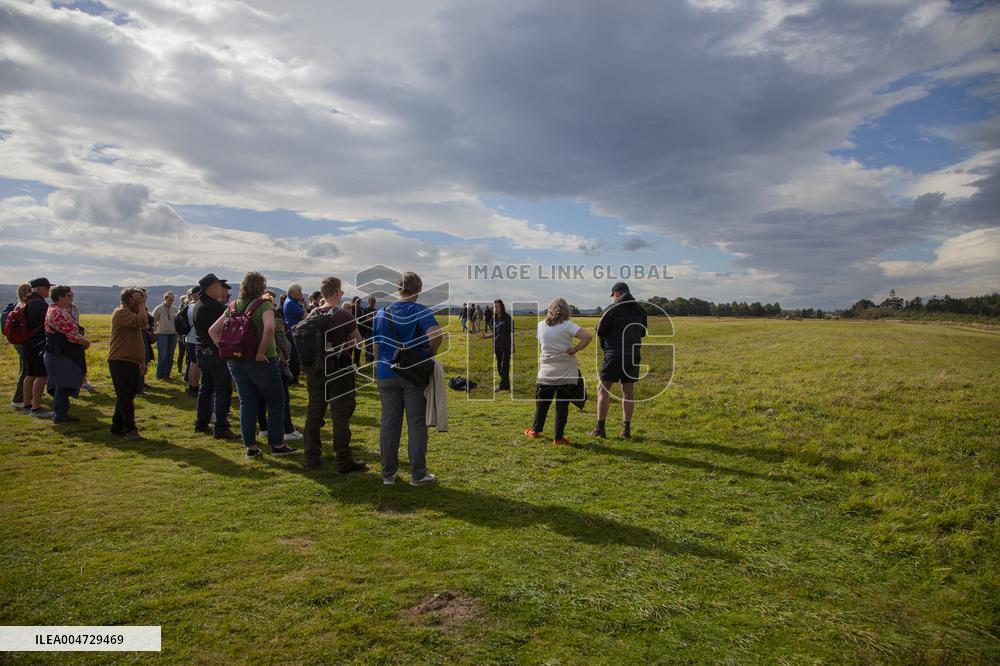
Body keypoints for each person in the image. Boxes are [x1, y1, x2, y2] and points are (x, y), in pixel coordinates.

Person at [209, 272, 298, 459]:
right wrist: (260, 352)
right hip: (262, 361)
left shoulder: (233, 306)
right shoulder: (264, 305)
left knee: (246, 403)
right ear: (262, 287)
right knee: (275, 402)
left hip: (236, 360)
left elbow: (213, 331)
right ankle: (277, 444)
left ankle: (250, 447)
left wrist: (225, 349)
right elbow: (269, 328)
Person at [372, 271, 443, 486]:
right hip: (412, 373)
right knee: (416, 423)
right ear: (418, 290)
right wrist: (428, 354)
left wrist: (378, 367)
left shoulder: (381, 313)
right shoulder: (419, 310)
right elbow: (436, 335)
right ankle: (418, 474)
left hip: (386, 371)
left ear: (398, 288)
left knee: (389, 423)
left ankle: (388, 473)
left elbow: (375, 345)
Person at [301, 276, 367, 472]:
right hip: (339, 369)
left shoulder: (312, 314)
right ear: (338, 293)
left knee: (314, 413)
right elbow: (358, 340)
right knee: (340, 415)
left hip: (315, 369)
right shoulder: (343, 315)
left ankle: (311, 457)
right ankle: (343, 459)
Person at [525, 297, 592, 445]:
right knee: (562, 406)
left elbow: (542, 342)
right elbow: (587, 337)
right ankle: (559, 438)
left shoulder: (541, 325)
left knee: (542, 403)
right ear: (566, 311)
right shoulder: (568, 325)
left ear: (550, 310)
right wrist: (575, 349)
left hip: (546, 371)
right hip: (567, 371)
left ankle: (535, 431)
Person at [591, 282, 647, 439]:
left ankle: (600, 429)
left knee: (602, 390)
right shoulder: (640, 310)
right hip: (633, 354)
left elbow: (599, 330)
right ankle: (625, 430)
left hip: (614, 355)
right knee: (628, 392)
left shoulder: (611, 308)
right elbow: (642, 332)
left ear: (616, 293)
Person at [193, 274, 239, 440]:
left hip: (202, 352)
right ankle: (221, 427)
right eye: (220, 286)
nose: (223, 290)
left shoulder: (199, 305)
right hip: (215, 353)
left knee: (206, 389)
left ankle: (201, 422)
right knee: (222, 390)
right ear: (211, 287)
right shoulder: (215, 307)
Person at [256, 291, 302, 443]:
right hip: (275, 358)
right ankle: (287, 429)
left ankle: (263, 428)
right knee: (282, 397)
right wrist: (287, 355)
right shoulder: (275, 318)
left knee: (261, 397)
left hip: (257, 359)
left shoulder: (253, 316)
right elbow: (282, 341)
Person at [43, 285, 90, 424]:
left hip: (55, 350)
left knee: (60, 381)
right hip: (62, 351)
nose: (72, 298)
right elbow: (72, 335)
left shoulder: (52, 309)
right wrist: (85, 342)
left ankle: (60, 412)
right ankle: (61, 414)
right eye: (69, 296)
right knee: (64, 382)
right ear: (60, 297)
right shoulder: (60, 312)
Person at [108, 287, 148, 439]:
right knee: (125, 396)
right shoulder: (121, 312)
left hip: (130, 360)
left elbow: (137, 340)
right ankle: (130, 429)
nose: (143, 302)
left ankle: (117, 427)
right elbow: (143, 322)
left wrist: (141, 361)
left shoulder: (129, 313)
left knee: (126, 395)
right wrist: (141, 304)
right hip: (120, 360)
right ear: (131, 299)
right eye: (139, 298)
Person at [21, 277, 53, 418]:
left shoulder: (27, 301)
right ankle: (36, 408)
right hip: (38, 343)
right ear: (39, 289)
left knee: (30, 374)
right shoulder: (39, 304)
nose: (49, 291)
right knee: (42, 375)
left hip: (27, 343)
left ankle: (27, 404)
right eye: (47, 288)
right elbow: (48, 323)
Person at [9, 283, 31, 410]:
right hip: (23, 342)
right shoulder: (24, 306)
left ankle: (26, 394)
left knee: (24, 368)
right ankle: (19, 399)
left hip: (18, 341)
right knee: (26, 370)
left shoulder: (18, 305)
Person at [151, 291, 178, 380]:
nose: (172, 301)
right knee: (163, 355)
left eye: (173, 300)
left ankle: (167, 374)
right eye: (170, 299)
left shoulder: (174, 309)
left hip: (173, 334)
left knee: (170, 356)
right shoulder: (158, 308)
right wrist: (153, 331)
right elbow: (153, 321)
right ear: (165, 298)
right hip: (162, 334)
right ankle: (159, 375)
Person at [283, 284, 306, 383]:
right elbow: (304, 316)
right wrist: (302, 305)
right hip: (293, 331)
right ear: (293, 293)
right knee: (294, 356)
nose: (301, 294)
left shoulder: (292, 302)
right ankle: (293, 379)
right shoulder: (292, 303)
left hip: (293, 331)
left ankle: (293, 378)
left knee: (295, 356)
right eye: (299, 293)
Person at [181, 287, 201, 398]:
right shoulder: (196, 307)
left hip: (189, 337)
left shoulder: (188, 306)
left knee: (192, 363)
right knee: (196, 364)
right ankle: (194, 387)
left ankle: (192, 387)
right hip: (195, 338)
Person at [492, 299, 515, 391]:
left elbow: (511, 332)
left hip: (506, 346)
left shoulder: (507, 318)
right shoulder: (494, 319)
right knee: (499, 366)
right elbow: (494, 332)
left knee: (504, 366)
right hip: (497, 346)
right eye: (494, 307)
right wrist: (486, 336)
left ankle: (502, 386)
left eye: (497, 307)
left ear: (501, 307)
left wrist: (513, 345)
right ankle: (506, 385)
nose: (495, 309)